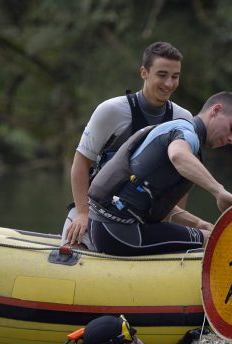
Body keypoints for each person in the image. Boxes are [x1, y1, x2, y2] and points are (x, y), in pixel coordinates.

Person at [62, 41, 193, 249]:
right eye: (162, 75)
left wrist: (171, 224)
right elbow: (80, 163)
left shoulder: (183, 119)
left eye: (175, 77)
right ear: (144, 73)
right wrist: (83, 214)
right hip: (97, 213)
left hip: (145, 220)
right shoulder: (111, 111)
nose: (169, 83)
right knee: (73, 248)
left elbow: (181, 182)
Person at [87, 91, 232, 256]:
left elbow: (144, 201)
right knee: (212, 239)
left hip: (101, 228)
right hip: (118, 233)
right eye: (231, 129)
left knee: (206, 232)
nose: (231, 139)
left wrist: (200, 224)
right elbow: (178, 155)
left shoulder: (173, 128)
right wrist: (219, 191)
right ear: (216, 110)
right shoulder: (187, 134)